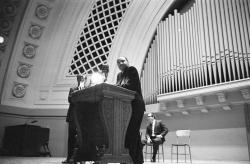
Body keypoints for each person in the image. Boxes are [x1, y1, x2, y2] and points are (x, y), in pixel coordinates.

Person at [116, 56, 145, 164]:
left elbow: (130, 86)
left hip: (136, 105)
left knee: (131, 132)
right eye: (118, 62)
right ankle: (136, 160)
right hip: (125, 107)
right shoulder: (119, 75)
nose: (120, 63)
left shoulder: (132, 70)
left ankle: (130, 159)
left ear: (128, 62)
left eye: (122, 61)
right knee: (131, 133)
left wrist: (116, 87)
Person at [62, 75, 84, 164]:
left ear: (85, 79)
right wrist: (79, 92)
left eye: (82, 78)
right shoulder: (73, 89)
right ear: (77, 80)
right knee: (71, 138)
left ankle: (81, 159)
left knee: (82, 138)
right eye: (79, 78)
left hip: (82, 118)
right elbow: (70, 99)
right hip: (72, 117)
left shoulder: (87, 89)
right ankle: (69, 158)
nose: (81, 79)